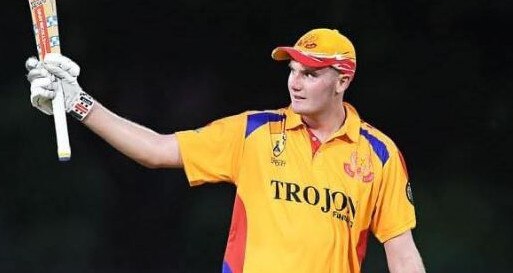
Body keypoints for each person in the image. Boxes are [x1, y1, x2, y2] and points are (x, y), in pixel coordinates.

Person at [25, 28, 426, 273]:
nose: (295, 83)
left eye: (310, 73)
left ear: (341, 82)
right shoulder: (255, 132)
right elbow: (157, 149)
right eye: (292, 71)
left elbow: (403, 256)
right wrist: (79, 103)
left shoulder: (379, 155)